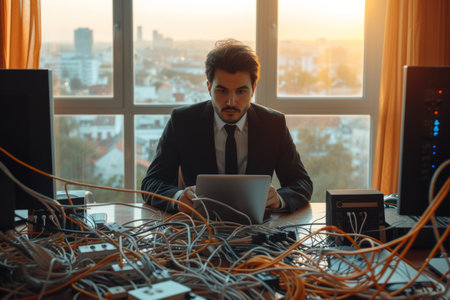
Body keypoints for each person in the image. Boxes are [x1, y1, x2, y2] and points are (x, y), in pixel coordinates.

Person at [141, 39, 313, 214]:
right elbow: (152, 182)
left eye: (241, 91)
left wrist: (279, 199)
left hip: (258, 228)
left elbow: (301, 183)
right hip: (199, 227)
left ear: (253, 88)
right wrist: (178, 197)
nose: (231, 101)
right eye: (222, 91)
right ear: (209, 88)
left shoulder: (273, 124)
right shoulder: (182, 121)